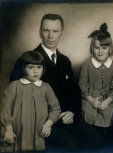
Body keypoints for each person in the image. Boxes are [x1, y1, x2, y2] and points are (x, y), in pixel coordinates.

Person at [10, 14, 103, 152]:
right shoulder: (27, 60)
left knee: (97, 140)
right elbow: (15, 95)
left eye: (55, 31)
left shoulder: (65, 61)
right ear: (40, 32)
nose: (50, 36)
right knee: (71, 145)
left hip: (65, 117)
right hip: (40, 122)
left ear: (62, 34)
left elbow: (73, 90)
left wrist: (71, 111)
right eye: (46, 30)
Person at [0, 51, 61, 152]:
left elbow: (56, 108)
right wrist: (8, 129)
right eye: (31, 67)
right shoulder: (14, 86)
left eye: (39, 67)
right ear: (23, 68)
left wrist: (48, 124)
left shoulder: (46, 88)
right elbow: (4, 108)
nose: (36, 71)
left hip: (38, 134)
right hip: (17, 133)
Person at [79, 23, 113, 135]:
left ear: (110, 49)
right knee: (89, 123)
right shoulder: (86, 64)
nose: (100, 51)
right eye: (97, 48)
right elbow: (82, 85)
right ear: (92, 48)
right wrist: (91, 100)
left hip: (108, 100)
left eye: (104, 48)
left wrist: (107, 102)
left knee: (108, 118)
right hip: (89, 99)